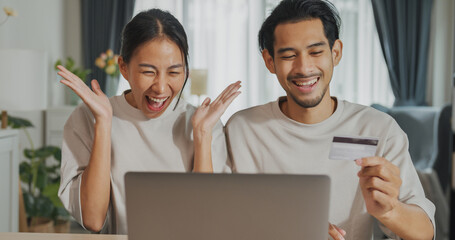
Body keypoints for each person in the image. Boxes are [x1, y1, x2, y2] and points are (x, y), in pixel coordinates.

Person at [225, 0, 435, 239]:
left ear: (335, 53)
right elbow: (220, 218)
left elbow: (424, 233)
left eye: (315, 52)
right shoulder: (242, 129)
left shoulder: (378, 128)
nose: (304, 67)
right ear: (270, 61)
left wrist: (391, 211)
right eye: (289, 55)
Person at [58, 9, 241, 234]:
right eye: (148, 72)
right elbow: (93, 219)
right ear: (124, 67)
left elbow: (206, 220)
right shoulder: (87, 117)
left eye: (174, 72)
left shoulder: (204, 122)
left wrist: (202, 135)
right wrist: (104, 123)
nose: (161, 88)